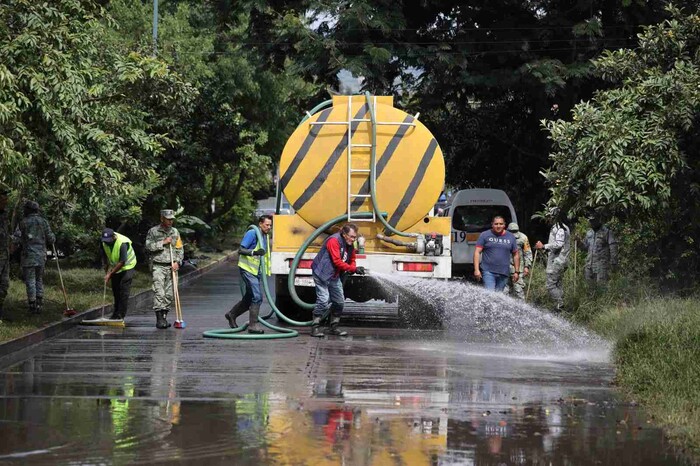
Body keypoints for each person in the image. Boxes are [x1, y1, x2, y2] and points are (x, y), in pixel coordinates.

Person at [310, 223, 366, 338]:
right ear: (344, 234)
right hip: (322, 274)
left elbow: (352, 258)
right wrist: (353, 269)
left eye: (355, 237)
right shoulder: (333, 241)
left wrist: (353, 267)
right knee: (323, 300)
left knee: (339, 301)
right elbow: (337, 261)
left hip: (334, 275)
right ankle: (315, 327)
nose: (353, 239)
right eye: (351, 236)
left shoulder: (350, 243)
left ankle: (333, 326)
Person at [224, 214, 272, 334]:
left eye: (270, 225)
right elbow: (241, 250)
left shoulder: (264, 236)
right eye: (267, 225)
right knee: (257, 296)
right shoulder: (252, 233)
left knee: (249, 297)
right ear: (260, 224)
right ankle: (253, 325)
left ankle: (232, 314)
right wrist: (254, 252)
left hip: (256, 271)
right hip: (247, 269)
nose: (269, 227)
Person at [12, 200, 55, 314]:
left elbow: (16, 239)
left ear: (28, 210)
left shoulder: (23, 223)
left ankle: (32, 304)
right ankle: (39, 301)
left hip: (28, 256)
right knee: (39, 278)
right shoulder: (44, 222)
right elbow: (51, 239)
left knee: (30, 280)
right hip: (41, 255)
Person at [145, 209, 183, 329]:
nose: (170, 221)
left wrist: (178, 262)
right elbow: (148, 246)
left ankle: (165, 317)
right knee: (159, 292)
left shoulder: (175, 232)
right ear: (162, 218)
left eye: (172, 219)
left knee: (170, 293)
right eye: (168, 219)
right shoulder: (153, 231)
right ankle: (159, 318)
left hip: (171, 266)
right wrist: (163, 242)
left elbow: (179, 248)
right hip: (158, 265)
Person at [535, 210, 571, 311]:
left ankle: (561, 304)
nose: (548, 218)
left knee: (550, 285)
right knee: (558, 284)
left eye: (550, 216)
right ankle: (560, 307)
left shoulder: (560, 228)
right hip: (558, 260)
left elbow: (558, 244)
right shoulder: (557, 227)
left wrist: (543, 246)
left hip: (557, 261)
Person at [473, 216, 520, 292]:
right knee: (490, 294)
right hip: (488, 271)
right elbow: (477, 252)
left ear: (504, 225)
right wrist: (476, 270)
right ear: (492, 224)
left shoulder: (511, 237)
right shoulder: (485, 235)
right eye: (496, 224)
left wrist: (516, 272)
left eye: (501, 224)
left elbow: (516, 254)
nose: (498, 226)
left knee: (499, 297)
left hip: (503, 272)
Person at [101, 228, 137, 320]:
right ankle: (115, 313)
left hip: (128, 266)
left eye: (109, 240)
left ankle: (121, 315)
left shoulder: (122, 243)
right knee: (115, 290)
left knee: (123, 291)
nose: (107, 242)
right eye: (106, 241)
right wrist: (106, 271)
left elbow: (122, 262)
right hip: (116, 266)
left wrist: (110, 274)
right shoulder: (105, 242)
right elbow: (105, 256)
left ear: (113, 237)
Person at [582, 214, 618, 283]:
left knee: (601, 289)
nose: (592, 222)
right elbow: (585, 248)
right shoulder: (589, 233)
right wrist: (579, 243)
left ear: (599, 220)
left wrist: (614, 263)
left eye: (594, 220)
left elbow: (613, 248)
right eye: (591, 221)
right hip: (589, 266)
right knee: (589, 290)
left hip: (601, 267)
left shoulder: (607, 232)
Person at [503, 222, 533, 299]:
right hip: (504, 268)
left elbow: (528, 252)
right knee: (504, 291)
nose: (513, 233)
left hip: (519, 268)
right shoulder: (502, 237)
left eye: (515, 231)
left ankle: (522, 307)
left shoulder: (523, 237)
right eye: (511, 231)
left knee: (518, 289)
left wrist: (527, 266)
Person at [0, 187, 10, 321]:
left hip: (4, 255)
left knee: (4, 285)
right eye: (2, 199)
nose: (5, 201)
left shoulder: (4, 215)